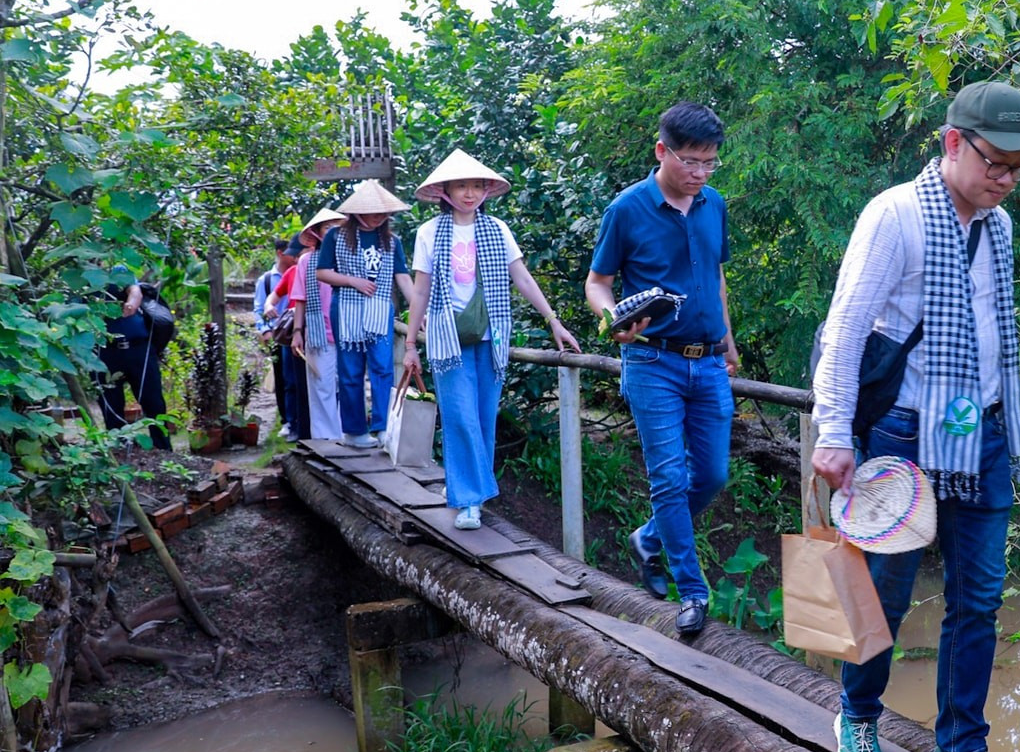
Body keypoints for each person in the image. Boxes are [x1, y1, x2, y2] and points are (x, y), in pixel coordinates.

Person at [811, 80, 1020, 752]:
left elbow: (995, 334)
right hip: (902, 431)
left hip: (983, 433)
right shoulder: (896, 216)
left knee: (980, 597)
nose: (1005, 179)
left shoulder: (998, 228)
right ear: (952, 143)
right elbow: (847, 326)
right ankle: (856, 713)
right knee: (884, 589)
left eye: (1016, 167)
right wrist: (833, 430)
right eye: (994, 162)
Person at [585, 102, 739, 638]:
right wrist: (611, 320)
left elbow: (716, 277)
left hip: (709, 362)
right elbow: (598, 282)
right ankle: (692, 594)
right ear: (662, 151)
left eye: (710, 163)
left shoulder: (713, 204)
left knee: (714, 473)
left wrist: (728, 340)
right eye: (692, 161)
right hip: (652, 361)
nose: (700, 173)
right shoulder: (627, 210)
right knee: (670, 477)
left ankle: (648, 538)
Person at [403, 150, 583, 529]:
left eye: (476, 185)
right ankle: (468, 499)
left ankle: (469, 493)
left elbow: (523, 278)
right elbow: (420, 291)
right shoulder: (429, 233)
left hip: (492, 335)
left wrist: (553, 322)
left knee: (484, 416)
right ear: (446, 191)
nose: (469, 193)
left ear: (486, 190)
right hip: (445, 335)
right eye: (461, 185)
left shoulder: (498, 230)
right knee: (460, 415)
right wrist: (409, 345)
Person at [315, 180, 415, 448]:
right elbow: (322, 272)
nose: (378, 217)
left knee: (383, 368)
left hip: (380, 310)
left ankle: (382, 427)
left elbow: (403, 277)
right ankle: (354, 432)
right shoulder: (335, 236)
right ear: (357, 211)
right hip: (346, 309)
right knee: (350, 371)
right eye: (372, 212)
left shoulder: (392, 242)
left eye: (383, 213)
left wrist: (419, 309)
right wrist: (352, 280)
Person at [287, 208, 348, 441]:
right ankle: (327, 441)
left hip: (348, 331)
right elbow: (300, 298)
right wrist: (297, 332)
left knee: (349, 385)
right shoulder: (306, 261)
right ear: (317, 233)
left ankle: (348, 435)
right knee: (321, 387)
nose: (333, 231)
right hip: (318, 332)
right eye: (327, 227)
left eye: (337, 226)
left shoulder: (348, 257)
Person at [96, 273, 170, 449]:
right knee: (111, 406)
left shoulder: (116, 267)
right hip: (105, 353)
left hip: (138, 349)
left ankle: (164, 452)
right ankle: (119, 452)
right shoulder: (78, 276)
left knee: (154, 403)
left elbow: (135, 290)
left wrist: (132, 301)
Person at [252, 238, 294, 438]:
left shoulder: (299, 272)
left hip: (297, 331)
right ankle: (286, 419)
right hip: (278, 334)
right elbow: (259, 308)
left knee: (296, 377)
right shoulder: (267, 280)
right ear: (280, 252)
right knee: (282, 377)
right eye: (290, 251)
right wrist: (265, 330)